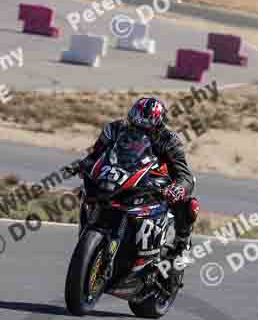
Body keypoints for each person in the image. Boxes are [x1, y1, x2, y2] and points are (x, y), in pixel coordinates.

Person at [78, 97, 199, 259]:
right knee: (88, 191)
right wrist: (84, 165)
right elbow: (96, 155)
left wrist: (178, 188)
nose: (138, 132)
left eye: (145, 129)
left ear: (157, 127)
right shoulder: (115, 129)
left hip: (155, 181)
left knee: (187, 203)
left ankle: (181, 242)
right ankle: (90, 230)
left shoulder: (169, 141)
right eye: (135, 126)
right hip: (121, 175)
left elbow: (185, 175)